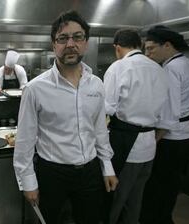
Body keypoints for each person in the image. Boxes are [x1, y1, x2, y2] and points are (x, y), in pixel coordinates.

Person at [13, 10, 118, 224]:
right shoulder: (35, 89)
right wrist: (28, 182)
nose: (70, 44)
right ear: (54, 45)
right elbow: (25, 139)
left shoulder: (96, 84)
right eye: (62, 38)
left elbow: (99, 129)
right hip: (52, 173)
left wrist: (107, 166)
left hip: (89, 171)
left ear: (86, 43)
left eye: (77, 37)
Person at [102, 29, 176, 224]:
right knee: (135, 201)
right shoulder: (159, 70)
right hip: (149, 147)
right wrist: (151, 138)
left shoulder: (119, 67)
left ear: (117, 48)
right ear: (139, 45)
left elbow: (106, 108)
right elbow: (168, 117)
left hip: (126, 146)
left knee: (115, 200)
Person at [140, 25, 189, 224]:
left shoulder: (170, 69)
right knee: (172, 183)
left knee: (159, 185)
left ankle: (158, 219)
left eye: (150, 48)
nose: (147, 53)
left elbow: (169, 115)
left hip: (173, 138)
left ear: (167, 45)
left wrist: (154, 141)